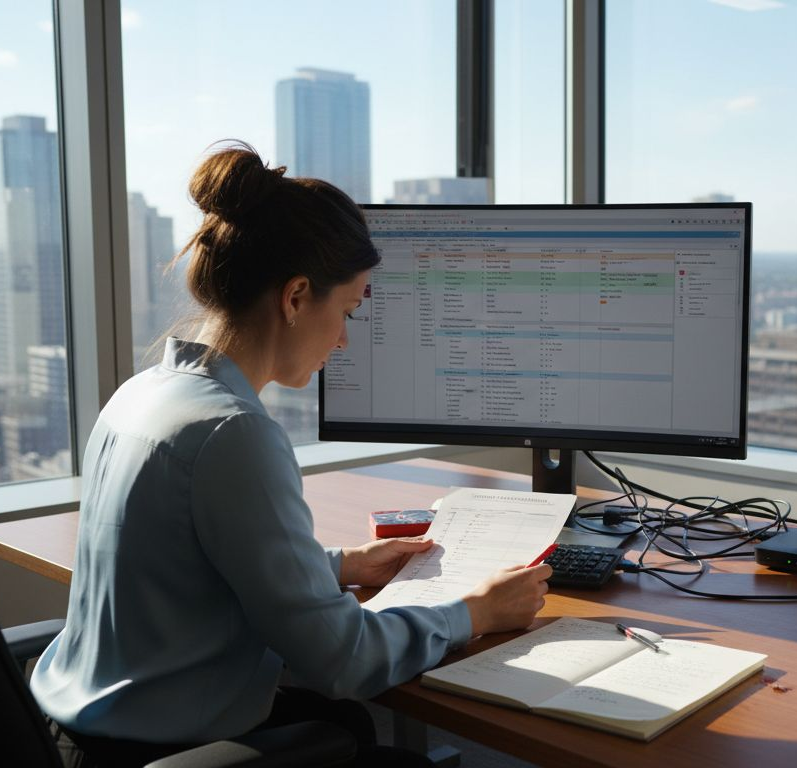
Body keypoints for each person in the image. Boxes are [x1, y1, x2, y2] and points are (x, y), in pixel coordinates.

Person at [29, 142, 552, 767]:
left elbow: (195, 565)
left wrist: (343, 565)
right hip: (163, 749)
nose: (345, 337)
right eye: (348, 308)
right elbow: (344, 659)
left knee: (344, 726)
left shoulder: (143, 394)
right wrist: (475, 611)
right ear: (297, 296)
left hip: (79, 732)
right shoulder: (232, 432)